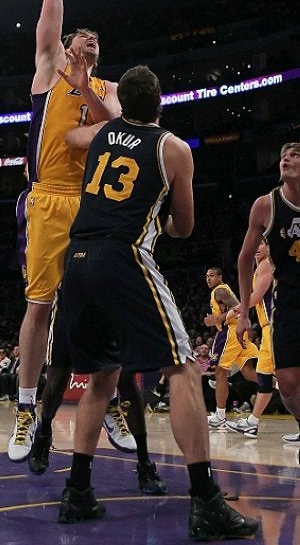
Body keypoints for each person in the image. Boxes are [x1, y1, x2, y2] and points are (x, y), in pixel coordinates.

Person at [56, 64, 258, 539]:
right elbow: (184, 226)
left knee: (101, 376)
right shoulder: (172, 148)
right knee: (184, 368)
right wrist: (161, 230)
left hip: (77, 259)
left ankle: (78, 492)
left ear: (122, 104)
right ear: (161, 101)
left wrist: (82, 88)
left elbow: (71, 136)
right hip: (123, 255)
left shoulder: (103, 132)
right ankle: (206, 502)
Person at [8, 0, 120, 463]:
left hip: (96, 203)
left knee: (102, 305)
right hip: (49, 200)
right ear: (64, 44)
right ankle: (26, 409)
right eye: (81, 36)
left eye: (96, 40)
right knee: (39, 307)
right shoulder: (49, 70)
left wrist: (85, 82)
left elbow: (115, 126)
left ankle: (113, 398)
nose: (88, 39)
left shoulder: (109, 90)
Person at [29, 289, 167, 495]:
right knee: (58, 377)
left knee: (126, 379)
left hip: (113, 300)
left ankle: (144, 462)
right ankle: (44, 433)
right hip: (71, 300)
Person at [237, 142, 300, 445]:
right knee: (286, 384)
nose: (285, 159)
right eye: (282, 156)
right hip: (288, 303)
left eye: (294, 155)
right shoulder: (266, 205)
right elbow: (243, 258)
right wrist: (241, 318)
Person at [226, 237, 275, 437]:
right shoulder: (260, 267)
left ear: (268, 246)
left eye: (260, 244)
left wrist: (234, 311)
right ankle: (252, 423)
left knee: (286, 379)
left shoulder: (267, 265)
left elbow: (256, 297)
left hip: (276, 326)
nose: (256, 248)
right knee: (264, 378)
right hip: (267, 330)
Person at [204, 268, 258, 430]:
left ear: (220, 277)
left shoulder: (219, 290)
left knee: (220, 372)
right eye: (206, 276)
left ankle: (220, 416)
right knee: (249, 373)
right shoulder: (222, 290)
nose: (208, 279)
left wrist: (217, 319)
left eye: (212, 276)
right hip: (240, 333)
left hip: (230, 332)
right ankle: (280, 385)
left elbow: (239, 307)